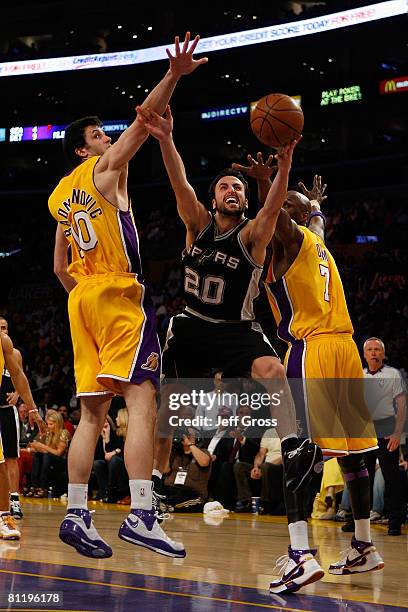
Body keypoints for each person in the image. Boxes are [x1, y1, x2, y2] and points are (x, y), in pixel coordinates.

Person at [48, 31, 208, 559]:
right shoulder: (103, 170)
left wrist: (85, 295)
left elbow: (58, 265)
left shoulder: (59, 196)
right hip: (116, 292)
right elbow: (144, 120)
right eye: (97, 134)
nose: (104, 137)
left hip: (81, 298)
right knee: (142, 399)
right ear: (83, 147)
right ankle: (142, 512)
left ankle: (76, 513)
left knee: (91, 414)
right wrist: (174, 77)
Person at [136, 106, 322, 508]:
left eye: (238, 187)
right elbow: (179, 182)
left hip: (237, 326)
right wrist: (166, 138)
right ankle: (153, 484)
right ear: (214, 197)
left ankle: (292, 445)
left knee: (273, 370)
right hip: (193, 325)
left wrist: (283, 167)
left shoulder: (253, 234)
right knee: (171, 406)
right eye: (225, 187)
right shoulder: (196, 223)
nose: (233, 191)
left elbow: (272, 208)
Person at [233, 160, 383, 591]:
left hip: (315, 350)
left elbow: (294, 216)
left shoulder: (303, 238)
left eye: (293, 203)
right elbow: (296, 215)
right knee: (345, 452)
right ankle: (360, 545)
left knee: (311, 449)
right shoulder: (301, 241)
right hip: (340, 349)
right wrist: (292, 193)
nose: (290, 204)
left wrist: (288, 191)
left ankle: (312, 552)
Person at [0, 331, 45, 540]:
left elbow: (17, 374)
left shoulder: (3, 341)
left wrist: (32, 408)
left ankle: (3, 517)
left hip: (3, 410)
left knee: (2, 463)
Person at [363, 337, 406, 535]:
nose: (373, 353)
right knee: (363, 477)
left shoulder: (392, 374)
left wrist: (398, 433)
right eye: (370, 350)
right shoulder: (358, 374)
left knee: (391, 476)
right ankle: (360, 522)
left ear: (383, 353)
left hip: (386, 427)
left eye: (377, 350)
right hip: (363, 430)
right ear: (364, 355)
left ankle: (395, 521)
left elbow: (402, 405)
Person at [0, 317, 26, 519]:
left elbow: (20, 377)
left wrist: (17, 393)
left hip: (8, 411)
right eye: (0, 328)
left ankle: (14, 500)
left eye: (5, 327)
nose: (3, 331)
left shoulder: (15, 353)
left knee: (11, 456)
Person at [27, 409, 71, 498]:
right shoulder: (50, 434)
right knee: (37, 455)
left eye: (51, 424)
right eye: (48, 424)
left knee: (46, 456)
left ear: (57, 424)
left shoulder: (64, 433)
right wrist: (38, 447)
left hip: (63, 461)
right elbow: (47, 451)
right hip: (50, 458)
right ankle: (34, 486)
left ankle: (44, 488)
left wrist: (43, 447)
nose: (49, 427)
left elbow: (58, 453)